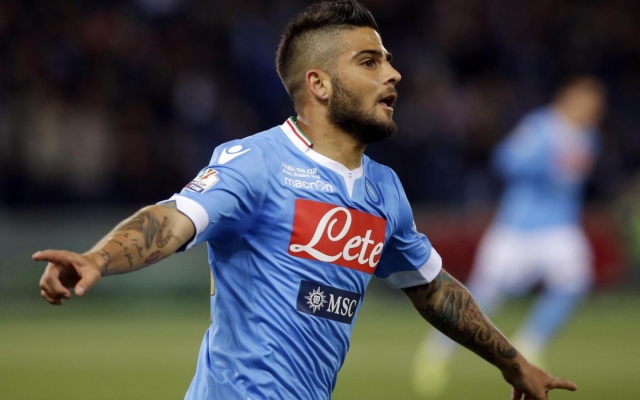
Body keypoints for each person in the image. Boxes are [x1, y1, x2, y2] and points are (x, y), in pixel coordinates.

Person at [33, 1, 578, 399]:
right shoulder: (256, 162)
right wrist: (98, 258)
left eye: (388, 60)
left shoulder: (384, 190)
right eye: (369, 61)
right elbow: (173, 220)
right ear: (319, 84)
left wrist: (512, 363)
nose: (393, 73)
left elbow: (433, 289)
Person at [412, 76, 606, 397]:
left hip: (560, 229)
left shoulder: (589, 138)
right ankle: (437, 352)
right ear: (567, 99)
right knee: (480, 299)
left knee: (576, 280)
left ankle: (531, 342)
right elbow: (506, 160)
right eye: (586, 102)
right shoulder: (541, 127)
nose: (591, 110)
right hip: (517, 228)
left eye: (596, 106)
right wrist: (543, 157)